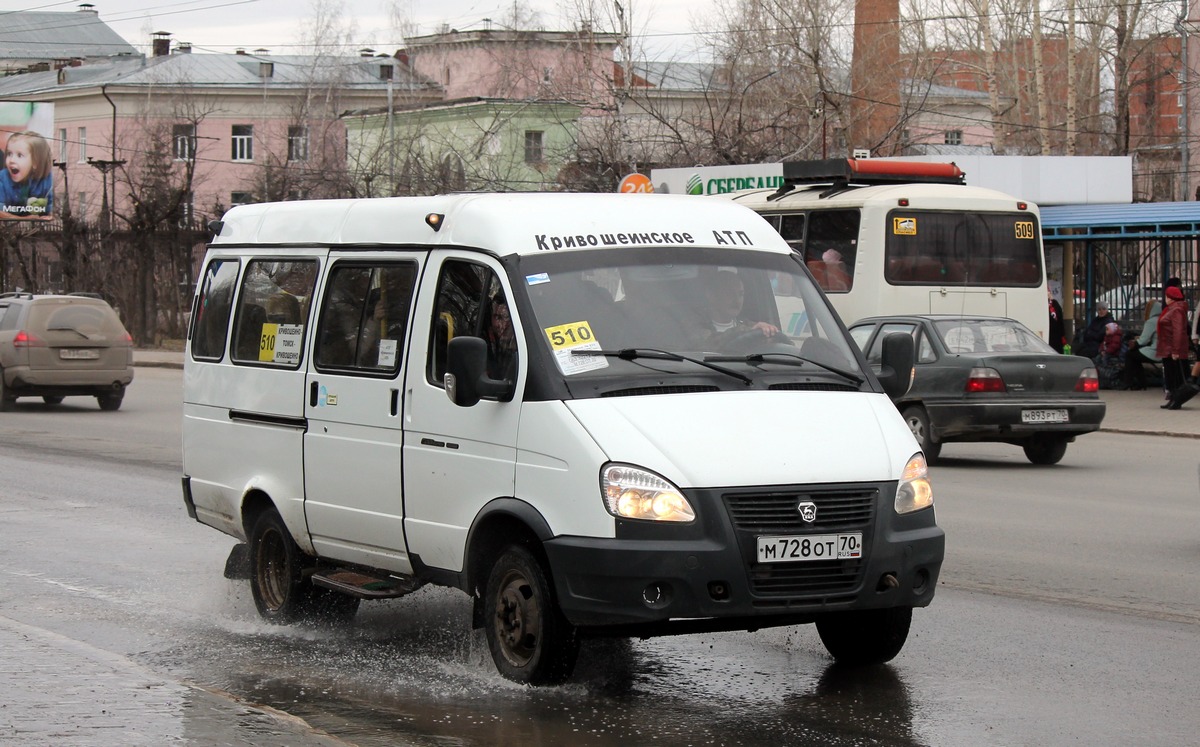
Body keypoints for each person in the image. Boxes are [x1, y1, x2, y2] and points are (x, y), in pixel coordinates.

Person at [700, 270, 780, 347]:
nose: (737, 300)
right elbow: (709, 343)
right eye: (729, 293)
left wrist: (769, 332)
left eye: (740, 294)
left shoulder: (748, 325)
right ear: (711, 295)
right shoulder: (695, 324)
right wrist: (749, 332)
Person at [0, 130, 53, 220]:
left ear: (35, 162)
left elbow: (54, 208)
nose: (11, 160)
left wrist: (50, 216)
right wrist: (23, 219)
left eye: (19, 155)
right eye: (9, 154)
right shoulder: (3, 178)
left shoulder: (48, 180)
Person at [1157, 285, 1191, 409]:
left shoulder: (1176, 310)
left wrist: (1176, 351)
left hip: (1172, 349)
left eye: (1166, 296)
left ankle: (1176, 400)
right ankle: (1172, 399)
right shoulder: (1170, 309)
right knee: (1170, 375)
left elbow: (1178, 331)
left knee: (1175, 375)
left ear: (1170, 297)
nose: (1165, 298)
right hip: (1167, 348)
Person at [1122, 301, 1161, 391]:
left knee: (1129, 354)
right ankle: (1141, 383)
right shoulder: (1161, 319)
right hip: (1163, 352)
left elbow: (1143, 341)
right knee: (1135, 356)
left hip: (1155, 352)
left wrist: (1135, 341)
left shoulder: (1151, 322)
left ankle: (1128, 382)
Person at [485, 295, 517, 381]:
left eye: (507, 318)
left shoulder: (523, 344)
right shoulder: (485, 341)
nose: (502, 325)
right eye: (497, 317)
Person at [1047, 289, 1066, 353]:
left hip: (1057, 335)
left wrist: (1063, 335)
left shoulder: (1055, 303)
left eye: (1048, 292)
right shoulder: (1042, 304)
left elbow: (1060, 320)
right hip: (1049, 333)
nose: (1048, 294)